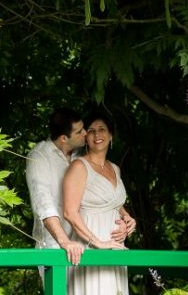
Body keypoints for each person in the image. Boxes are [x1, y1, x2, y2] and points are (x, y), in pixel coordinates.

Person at [25, 108, 130, 278]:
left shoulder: (80, 156)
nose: (86, 133)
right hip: (56, 245)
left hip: (84, 241)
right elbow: (43, 205)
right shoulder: (39, 157)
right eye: (80, 131)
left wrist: (124, 216)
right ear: (64, 138)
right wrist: (65, 242)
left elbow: (97, 195)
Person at [63, 112, 136, 294]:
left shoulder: (115, 169)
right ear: (85, 137)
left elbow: (114, 202)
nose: (97, 135)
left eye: (102, 129)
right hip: (89, 246)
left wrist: (127, 218)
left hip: (115, 248)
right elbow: (70, 213)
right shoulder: (79, 167)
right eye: (91, 130)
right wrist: (98, 243)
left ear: (110, 135)